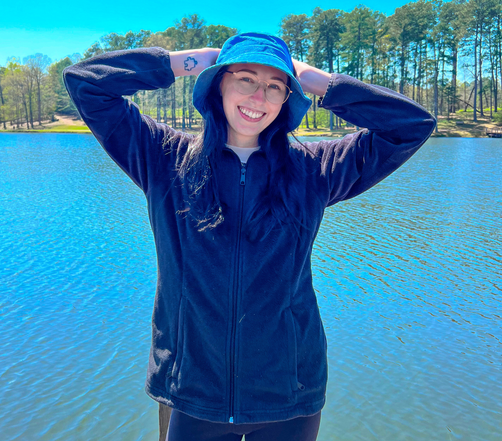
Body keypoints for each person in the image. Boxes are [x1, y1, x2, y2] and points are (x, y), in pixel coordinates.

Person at [63, 32, 436, 441]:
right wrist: (189, 61)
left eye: (275, 87)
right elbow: (86, 82)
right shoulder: (162, 157)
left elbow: (412, 126)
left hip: (289, 396)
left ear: (287, 100)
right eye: (245, 78)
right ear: (218, 84)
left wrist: (323, 83)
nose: (258, 98)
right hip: (192, 392)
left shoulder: (314, 169)